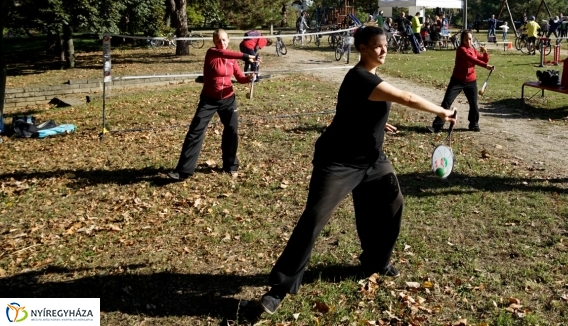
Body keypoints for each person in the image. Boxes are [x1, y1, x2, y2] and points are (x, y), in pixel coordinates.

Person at [259, 26, 456, 315]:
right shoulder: (360, 77)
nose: (384, 50)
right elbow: (406, 97)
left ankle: (376, 261)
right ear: (362, 48)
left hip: (372, 161)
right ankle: (280, 287)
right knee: (315, 217)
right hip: (338, 161)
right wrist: (442, 111)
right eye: (378, 46)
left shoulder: (371, 77)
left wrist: (376, 123)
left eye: (385, 45)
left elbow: (358, 109)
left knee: (393, 203)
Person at [168, 29, 258, 181]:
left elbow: (240, 78)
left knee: (232, 130)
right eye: (218, 40)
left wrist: (250, 78)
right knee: (195, 131)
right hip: (209, 100)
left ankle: (230, 165)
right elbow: (226, 54)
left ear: (228, 40)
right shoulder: (212, 53)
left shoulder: (232, 59)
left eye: (223, 40)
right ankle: (183, 171)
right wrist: (246, 56)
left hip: (228, 99)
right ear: (214, 43)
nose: (221, 43)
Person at [429, 30, 494, 133]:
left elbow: (483, 60)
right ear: (462, 40)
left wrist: (485, 53)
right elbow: (472, 60)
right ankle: (437, 126)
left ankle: (474, 124)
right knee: (447, 102)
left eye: (470, 39)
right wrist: (486, 66)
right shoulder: (461, 49)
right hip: (457, 81)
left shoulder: (473, 50)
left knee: (474, 105)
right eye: (466, 39)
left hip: (471, 81)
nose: (468, 41)